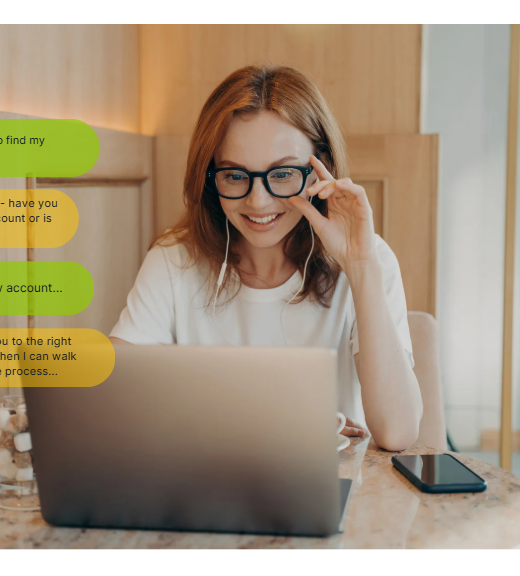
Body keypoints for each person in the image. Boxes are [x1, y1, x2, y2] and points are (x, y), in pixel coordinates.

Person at [109, 65, 422, 451]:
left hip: (337, 494)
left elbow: (397, 432)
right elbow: (114, 403)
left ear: (319, 169)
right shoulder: (173, 262)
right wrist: (287, 425)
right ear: (210, 177)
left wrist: (360, 268)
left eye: (283, 173)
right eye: (236, 176)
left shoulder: (369, 260)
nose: (258, 202)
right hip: (207, 490)